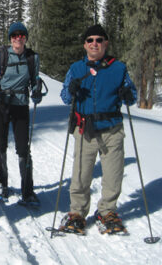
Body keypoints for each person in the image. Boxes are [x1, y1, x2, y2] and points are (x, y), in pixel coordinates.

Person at [59, 24, 137, 234]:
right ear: (84, 44)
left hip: (112, 129)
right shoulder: (76, 69)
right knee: (81, 174)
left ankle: (107, 211)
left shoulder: (119, 68)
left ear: (106, 43)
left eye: (99, 39)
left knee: (113, 174)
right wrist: (71, 90)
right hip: (85, 129)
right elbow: (65, 97)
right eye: (90, 40)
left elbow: (133, 94)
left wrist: (128, 95)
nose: (95, 43)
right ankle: (77, 213)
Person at [0, 22, 43, 206]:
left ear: (25, 38)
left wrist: (36, 91)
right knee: (0, 145)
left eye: (21, 35)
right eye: (14, 36)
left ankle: (27, 190)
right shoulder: (2, 55)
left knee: (23, 149)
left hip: (21, 105)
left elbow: (34, 80)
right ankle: (2, 183)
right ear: (10, 39)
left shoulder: (32, 58)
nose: (18, 38)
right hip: (1, 103)